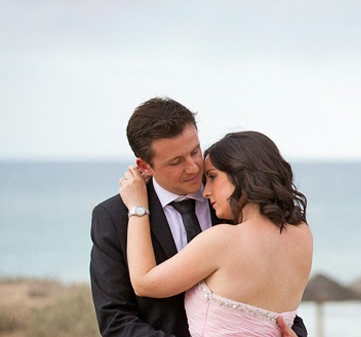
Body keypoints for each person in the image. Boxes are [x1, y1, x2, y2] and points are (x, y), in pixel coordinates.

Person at [89, 97, 309, 337]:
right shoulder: (113, 217)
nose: (194, 167)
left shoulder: (236, 200)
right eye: (176, 162)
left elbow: (273, 299)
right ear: (145, 166)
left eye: (195, 151)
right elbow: (115, 320)